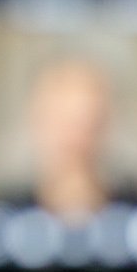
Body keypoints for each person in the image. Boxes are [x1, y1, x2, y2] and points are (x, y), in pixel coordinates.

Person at [23, 57, 123, 220]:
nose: (76, 139)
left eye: (89, 121)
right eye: (64, 121)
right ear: (37, 121)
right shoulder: (0, 214)